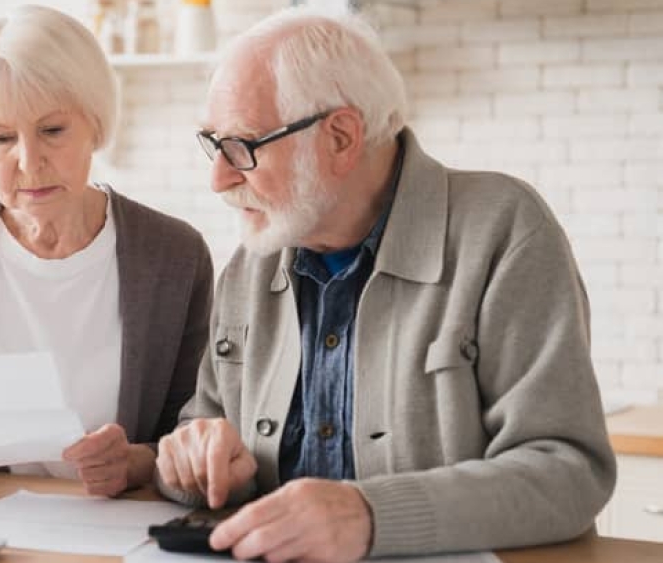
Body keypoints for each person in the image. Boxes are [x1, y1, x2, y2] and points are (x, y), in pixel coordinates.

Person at [154, 6, 616, 562]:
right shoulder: (251, 261)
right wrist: (192, 461)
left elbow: (569, 474)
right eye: (214, 143)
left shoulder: (503, 230)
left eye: (243, 147)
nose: (219, 178)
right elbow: (202, 428)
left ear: (342, 137)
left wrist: (370, 516)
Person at [0, 4, 213, 498]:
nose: (30, 161)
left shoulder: (175, 255)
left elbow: (194, 432)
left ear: (94, 122)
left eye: (52, 130)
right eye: (2, 138)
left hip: (114, 524)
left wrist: (134, 463)